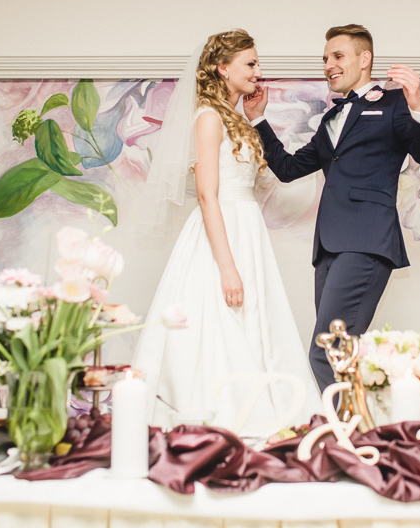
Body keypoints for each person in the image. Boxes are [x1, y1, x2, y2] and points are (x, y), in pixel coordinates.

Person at [132, 29, 321, 433]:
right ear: (223, 68)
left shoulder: (237, 119)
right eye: (250, 64)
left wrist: (257, 116)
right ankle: (226, 418)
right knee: (217, 324)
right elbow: (207, 196)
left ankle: (261, 414)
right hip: (222, 232)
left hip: (247, 230)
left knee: (253, 323)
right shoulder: (208, 118)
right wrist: (228, 267)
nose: (258, 71)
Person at [243, 24, 420, 391]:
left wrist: (417, 104)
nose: (328, 65)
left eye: (337, 56)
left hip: (366, 241)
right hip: (328, 247)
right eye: (325, 58)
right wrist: (258, 118)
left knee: (327, 353)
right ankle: (352, 424)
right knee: (341, 355)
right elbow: (288, 169)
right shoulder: (331, 120)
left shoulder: (395, 104)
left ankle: (341, 427)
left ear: (364, 59)